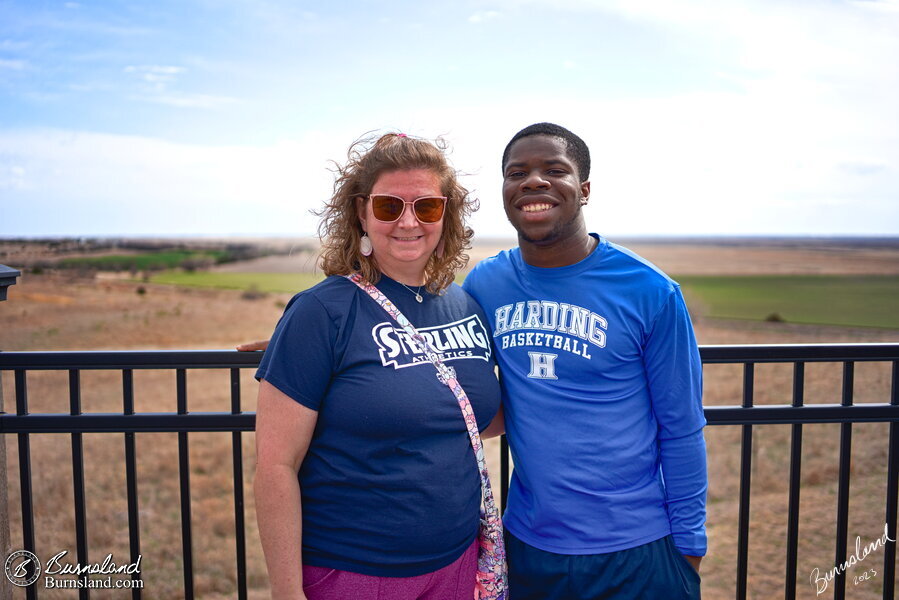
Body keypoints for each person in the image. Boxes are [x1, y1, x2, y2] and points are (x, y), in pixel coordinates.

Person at [461, 122, 707, 599]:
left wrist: (689, 548)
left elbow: (681, 426)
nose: (533, 181)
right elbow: (437, 350)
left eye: (555, 169)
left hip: (637, 549)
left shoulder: (649, 290)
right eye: (517, 172)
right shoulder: (486, 285)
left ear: (585, 189)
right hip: (529, 546)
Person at [253, 132, 502, 600]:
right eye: (390, 206)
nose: (408, 222)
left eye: (426, 207)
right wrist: (287, 593)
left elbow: (471, 414)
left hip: (456, 564)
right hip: (356, 574)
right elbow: (275, 466)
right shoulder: (321, 312)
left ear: (446, 216)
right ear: (361, 213)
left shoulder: (464, 305)